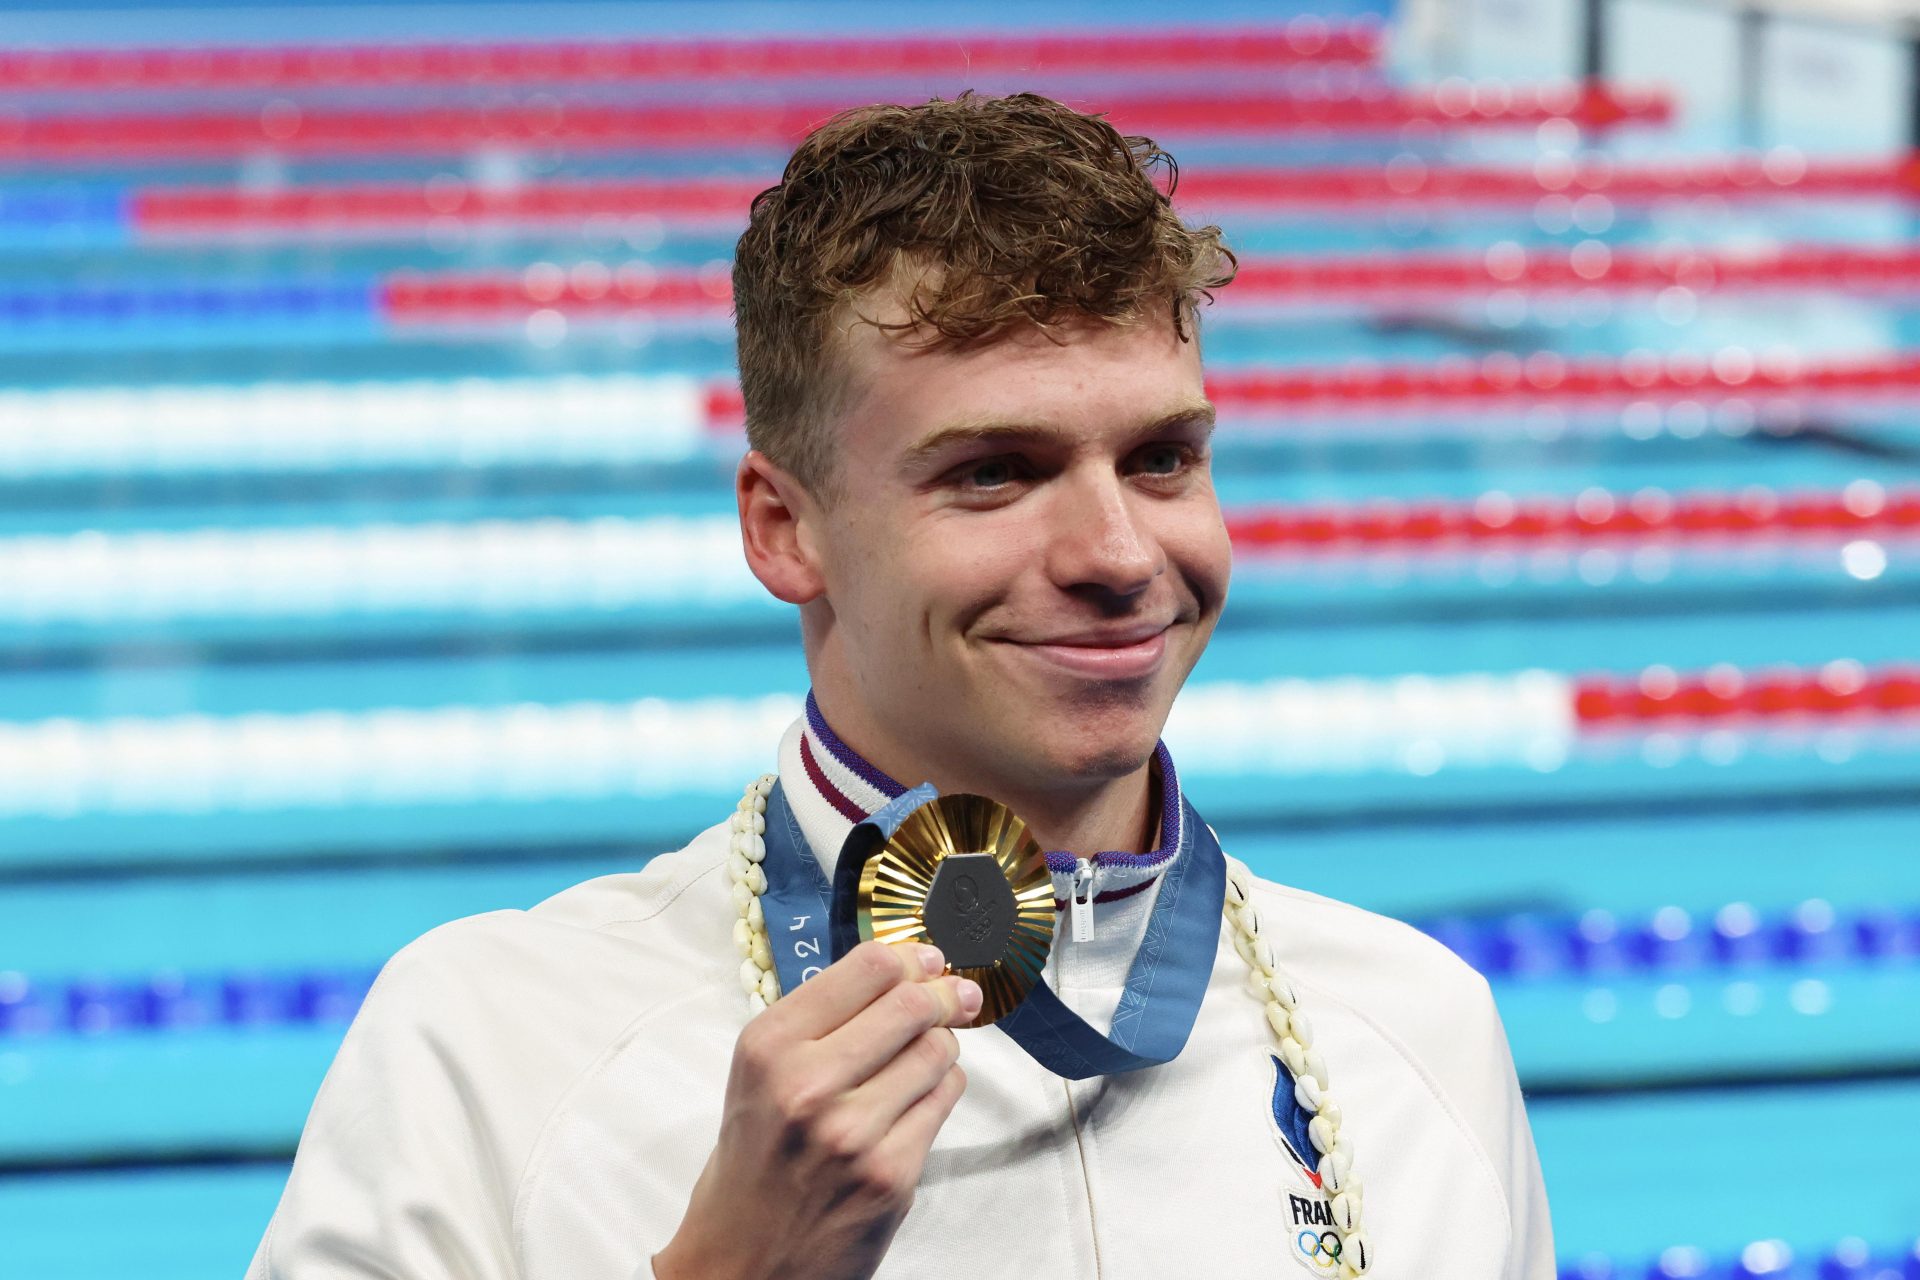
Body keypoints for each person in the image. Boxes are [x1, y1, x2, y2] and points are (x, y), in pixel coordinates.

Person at [248, 92, 1553, 1280]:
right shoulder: (493, 1048)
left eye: (1162, 459)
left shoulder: (1412, 1033)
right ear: (783, 529)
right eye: (993, 471)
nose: (1116, 555)